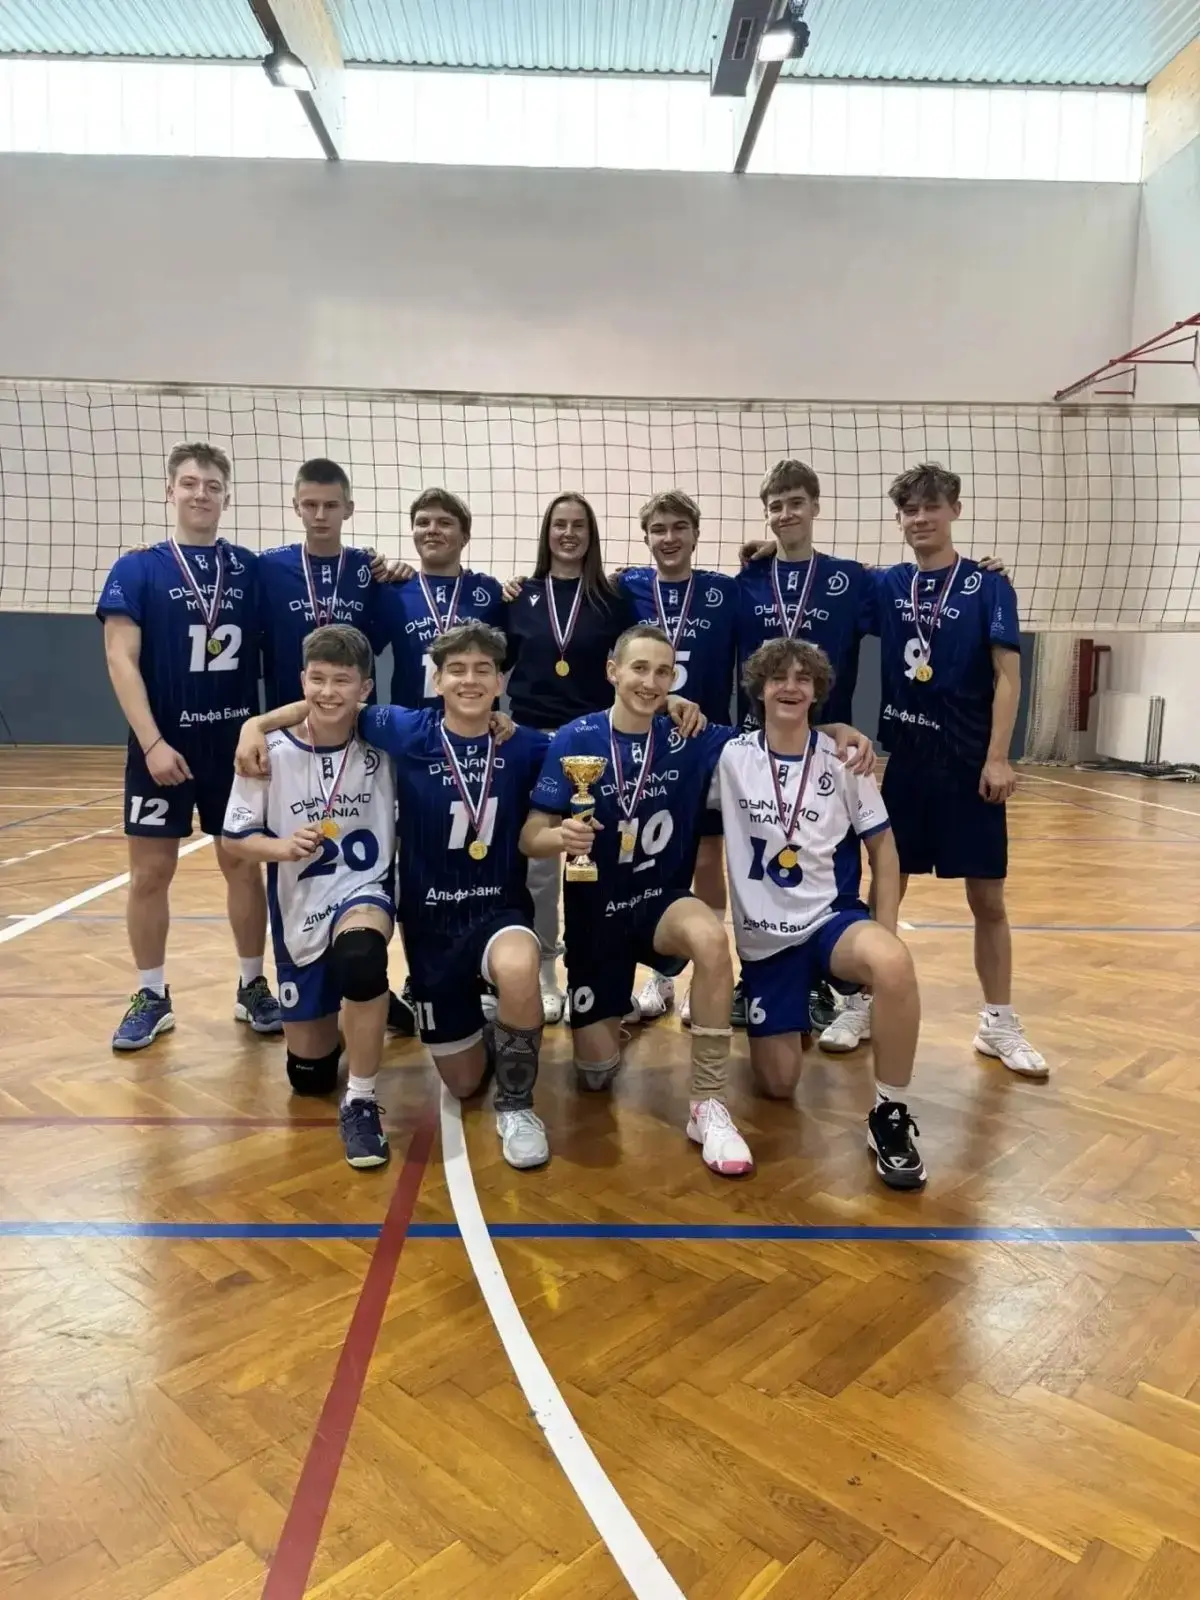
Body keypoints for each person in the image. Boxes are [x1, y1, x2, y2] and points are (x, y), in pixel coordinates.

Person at [236, 621, 551, 1170]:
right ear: (436, 679)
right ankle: (483, 1022)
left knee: (518, 967)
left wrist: (666, 703)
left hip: (493, 910)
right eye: (457, 670)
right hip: (430, 926)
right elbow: (330, 704)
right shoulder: (403, 729)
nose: (470, 680)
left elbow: (595, 737)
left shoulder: (522, 744)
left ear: (501, 681)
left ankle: (518, 1105)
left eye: (483, 671)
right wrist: (255, 723)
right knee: (453, 1082)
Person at [520, 624, 752, 1175]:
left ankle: (708, 1103)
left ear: (674, 680)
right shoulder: (575, 738)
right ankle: (612, 1007)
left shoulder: (689, 734)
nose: (650, 682)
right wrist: (560, 838)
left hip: (659, 901)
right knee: (595, 1077)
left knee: (711, 941)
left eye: (662, 672)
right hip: (594, 916)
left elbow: (771, 737)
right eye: (640, 669)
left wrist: (837, 729)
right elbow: (531, 835)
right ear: (612, 671)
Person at [713, 638, 926, 1189]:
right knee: (778, 1085)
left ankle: (890, 1113)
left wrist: (884, 931)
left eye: (803, 679)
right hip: (766, 941)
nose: (790, 687)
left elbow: (884, 849)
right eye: (778, 677)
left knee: (894, 963)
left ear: (817, 691)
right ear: (759, 688)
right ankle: (796, 1007)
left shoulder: (844, 759)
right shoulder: (731, 756)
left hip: (832, 921)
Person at [855, 461, 1046, 1077]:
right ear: (900, 519)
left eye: (931, 507)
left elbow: (1008, 677)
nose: (920, 519)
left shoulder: (989, 586)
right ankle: (864, 1001)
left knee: (987, 898)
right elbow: (821, 581)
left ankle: (998, 1021)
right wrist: (762, 554)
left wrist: (998, 756)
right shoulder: (888, 585)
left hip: (968, 765)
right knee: (887, 885)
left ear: (954, 511)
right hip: (907, 765)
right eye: (909, 510)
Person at [98, 442, 281, 1050]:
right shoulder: (137, 569)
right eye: (190, 483)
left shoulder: (250, 569)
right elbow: (120, 660)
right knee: (150, 874)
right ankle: (151, 994)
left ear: (227, 496)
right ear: (169, 491)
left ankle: (252, 985)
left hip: (234, 750)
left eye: (212, 486)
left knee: (243, 865)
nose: (201, 494)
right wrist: (152, 742)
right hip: (162, 748)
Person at [222, 625, 396, 1168]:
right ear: (302, 681)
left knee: (361, 957)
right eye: (317, 679)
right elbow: (234, 839)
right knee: (310, 1077)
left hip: (362, 890)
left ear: (365, 688)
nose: (328, 692)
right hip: (299, 907)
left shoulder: (385, 744)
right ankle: (356, 1015)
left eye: (342, 681)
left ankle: (362, 1099)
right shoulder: (267, 751)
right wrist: (279, 847)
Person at [504, 493, 639, 1024]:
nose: (567, 533)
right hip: (532, 739)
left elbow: (634, 662)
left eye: (578, 525)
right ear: (547, 533)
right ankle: (543, 973)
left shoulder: (614, 599)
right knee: (539, 865)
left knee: (600, 860)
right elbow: (496, 663)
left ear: (591, 534)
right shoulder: (519, 595)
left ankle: (606, 971)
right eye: (559, 524)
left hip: (596, 741)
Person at [615, 490, 738, 1024]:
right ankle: (659, 975)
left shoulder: (724, 591)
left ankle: (701, 978)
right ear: (645, 537)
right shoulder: (626, 587)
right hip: (644, 742)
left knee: (708, 857)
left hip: (704, 744)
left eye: (679, 527)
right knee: (649, 855)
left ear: (695, 533)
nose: (669, 538)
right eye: (658, 529)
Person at [257, 458, 388, 712]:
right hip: (289, 713)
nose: (320, 516)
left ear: (348, 509)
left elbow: (380, 641)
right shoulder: (269, 566)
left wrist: (401, 572)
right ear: (296, 507)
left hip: (351, 715)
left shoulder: (369, 568)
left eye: (330, 505)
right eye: (310, 505)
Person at [373, 488, 506, 710]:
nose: (432, 530)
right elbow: (363, 651)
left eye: (444, 523)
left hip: (476, 722)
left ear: (465, 537)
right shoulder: (393, 592)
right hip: (413, 722)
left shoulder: (490, 591)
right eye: (423, 522)